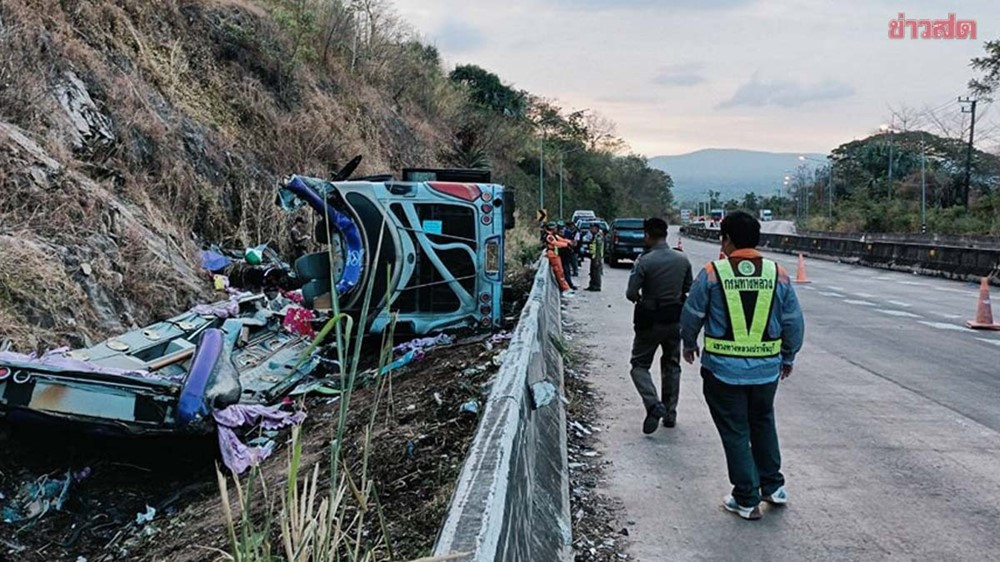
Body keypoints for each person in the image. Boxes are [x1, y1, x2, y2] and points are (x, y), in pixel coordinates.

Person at [680, 211, 805, 521]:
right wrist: (788, 356)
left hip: (723, 371)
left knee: (735, 430)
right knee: (763, 421)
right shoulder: (779, 274)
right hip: (766, 372)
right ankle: (773, 485)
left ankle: (746, 497)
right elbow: (793, 322)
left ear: (727, 240)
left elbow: (692, 313)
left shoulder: (712, 273)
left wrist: (689, 342)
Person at [625, 217, 692, 433]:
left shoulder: (644, 261)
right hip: (674, 319)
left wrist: (642, 299)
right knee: (672, 365)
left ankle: (654, 404)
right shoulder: (682, 259)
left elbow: (631, 293)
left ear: (647, 235)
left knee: (639, 365)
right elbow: (688, 287)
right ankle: (670, 414)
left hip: (649, 321)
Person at [543, 223, 573, 293]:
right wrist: (566, 244)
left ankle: (565, 287)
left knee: (561, 271)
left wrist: (569, 242)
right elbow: (555, 243)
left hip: (556, 254)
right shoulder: (549, 236)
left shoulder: (554, 235)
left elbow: (561, 239)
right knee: (559, 272)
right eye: (555, 228)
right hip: (552, 255)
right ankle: (565, 288)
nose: (557, 229)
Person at [585, 223, 605, 291]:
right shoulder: (594, 236)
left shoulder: (598, 236)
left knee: (596, 272)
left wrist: (597, 259)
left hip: (597, 257)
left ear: (596, 229)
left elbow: (598, 249)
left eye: (592, 228)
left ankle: (597, 286)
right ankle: (592, 285)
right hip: (593, 256)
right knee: (592, 272)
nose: (590, 229)